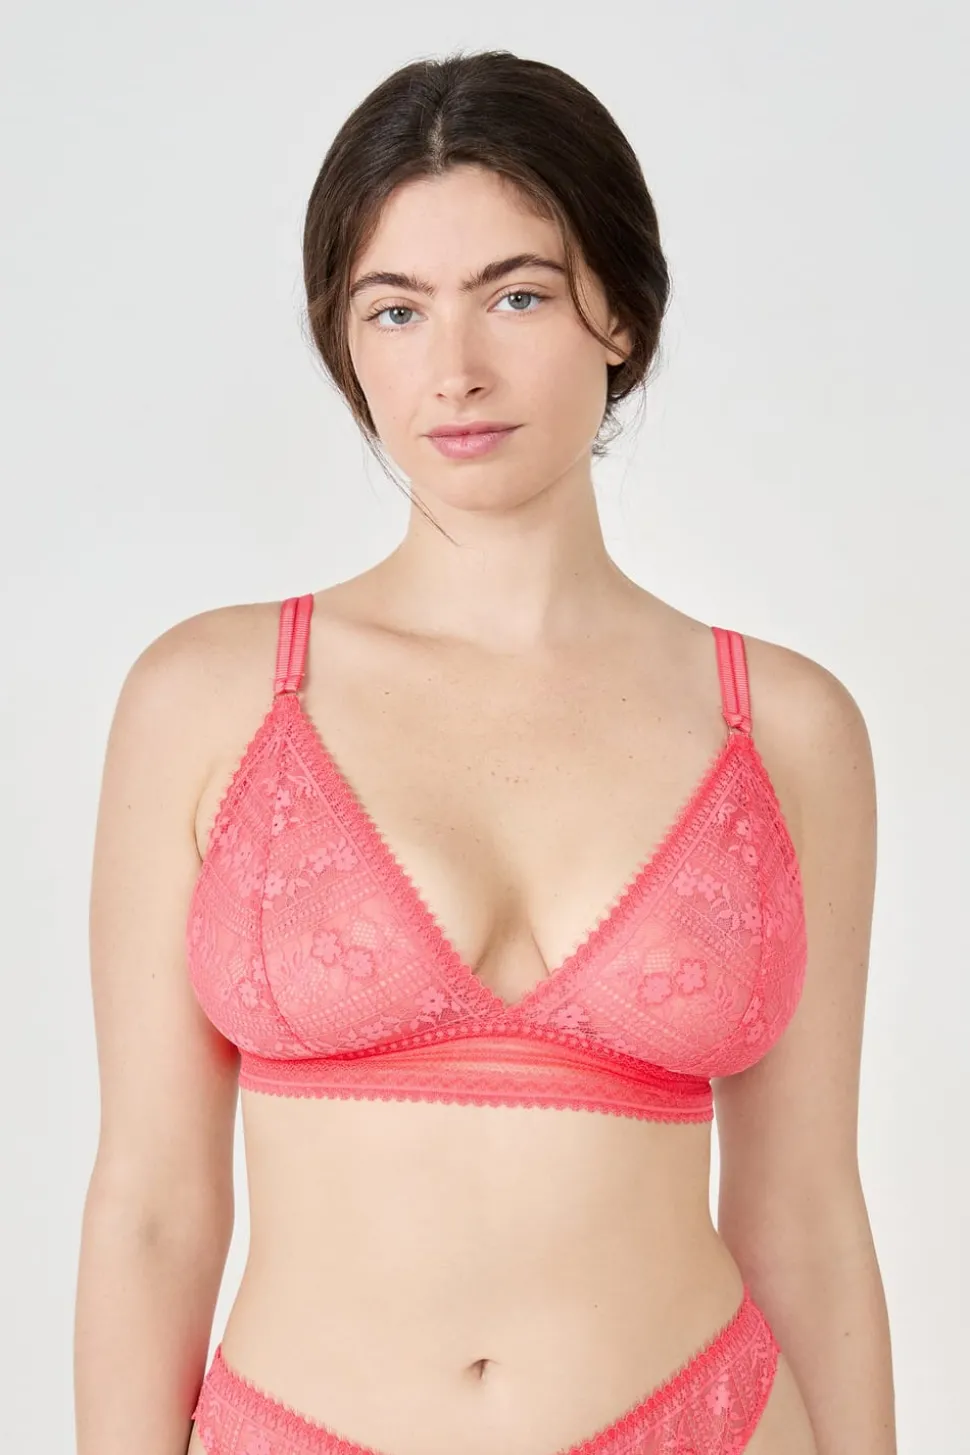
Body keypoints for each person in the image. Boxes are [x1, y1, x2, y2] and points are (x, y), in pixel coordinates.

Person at [74, 48, 896, 1455]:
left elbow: (806, 1210)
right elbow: (152, 1204)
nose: (453, 372)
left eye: (516, 295)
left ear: (618, 313)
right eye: (394, 310)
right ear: (346, 342)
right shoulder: (208, 699)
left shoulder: (785, 725)